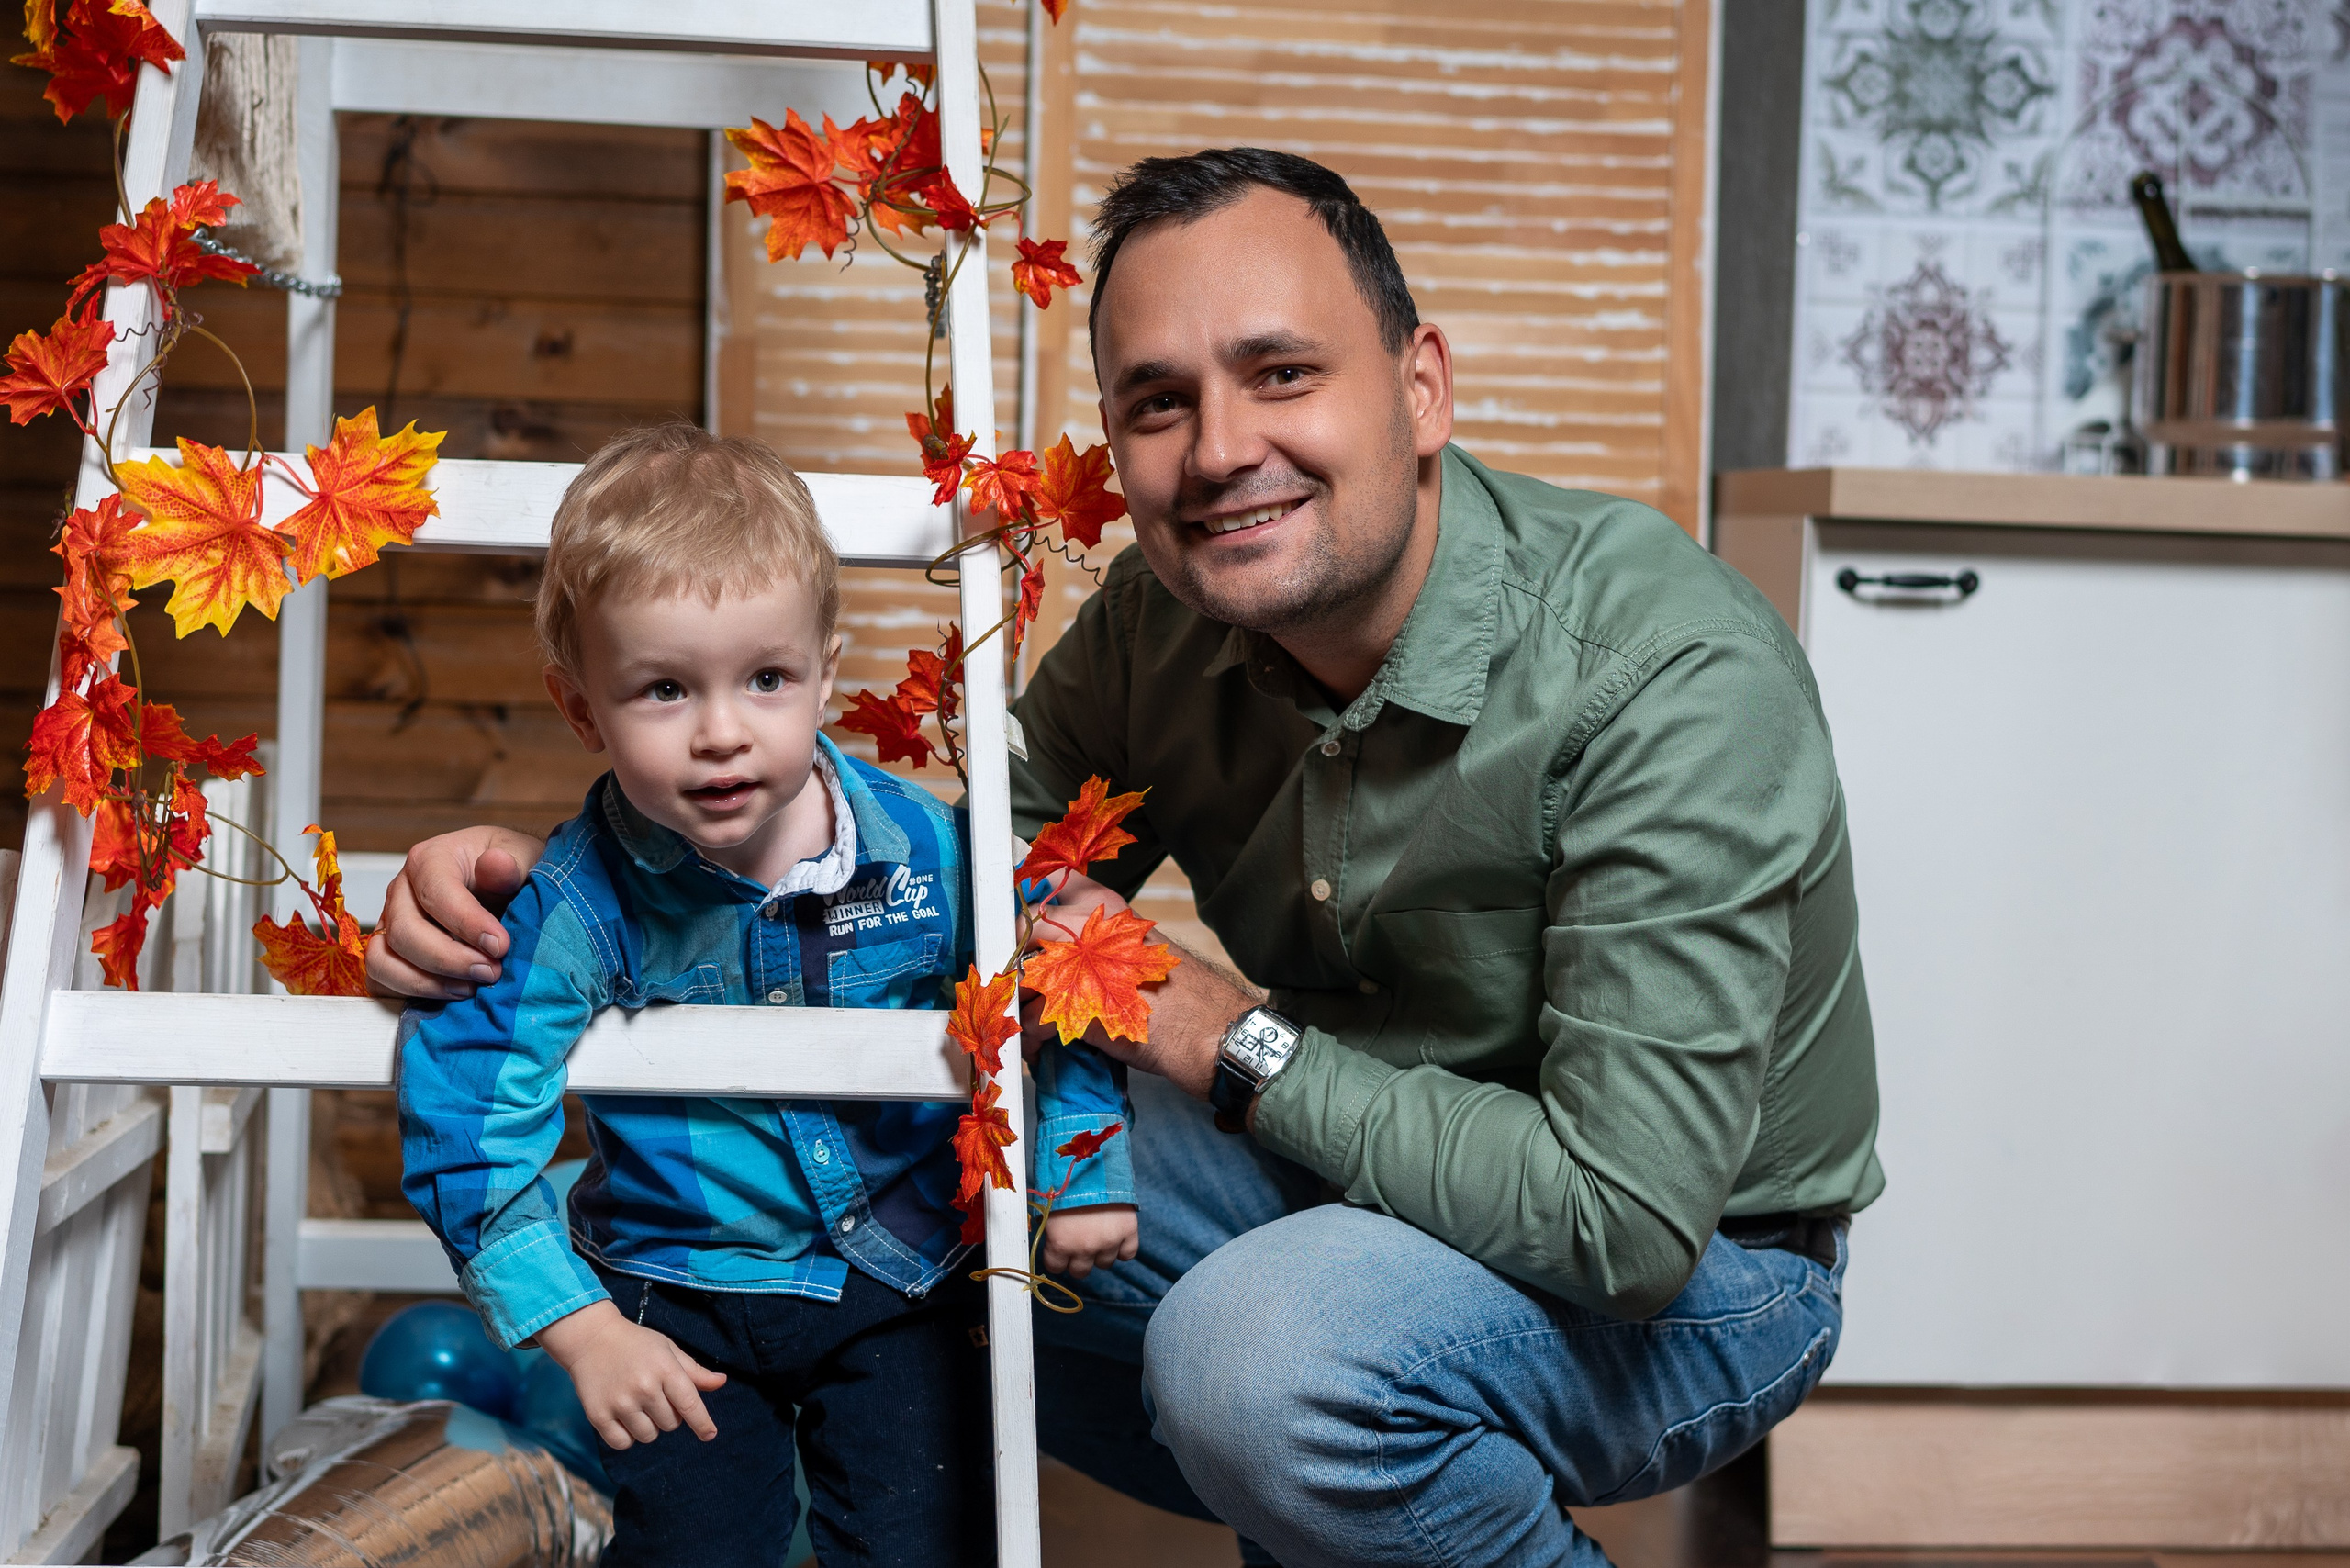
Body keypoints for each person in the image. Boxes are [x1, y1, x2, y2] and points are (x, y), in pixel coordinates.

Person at [374, 151, 1884, 1568]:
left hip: (1694, 1269)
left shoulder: (1664, 675)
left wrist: (1235, 1035)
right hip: (1345, 1185)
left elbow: (1617, 1222)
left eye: (1281, 372)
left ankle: (1365, 1451)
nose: (1221, 450)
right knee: (916, 1208)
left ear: (1421, 388)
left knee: (1265, 1356)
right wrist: (594, 868)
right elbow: (952, 876)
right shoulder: (1170, 623)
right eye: (1157, 403)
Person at [393, 424, 1135, 1568]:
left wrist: (1081, 1160)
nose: (722, 731)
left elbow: (1067, 972)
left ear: (826, 670)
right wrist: (578, 1324)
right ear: (583, 708)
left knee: (928, 1536)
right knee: (693, 1548)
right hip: (670, 1291)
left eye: (767, 678)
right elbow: (469, 1100)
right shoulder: (580, 905)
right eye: (662, 690)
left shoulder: (934, 854)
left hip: (902, 1272)